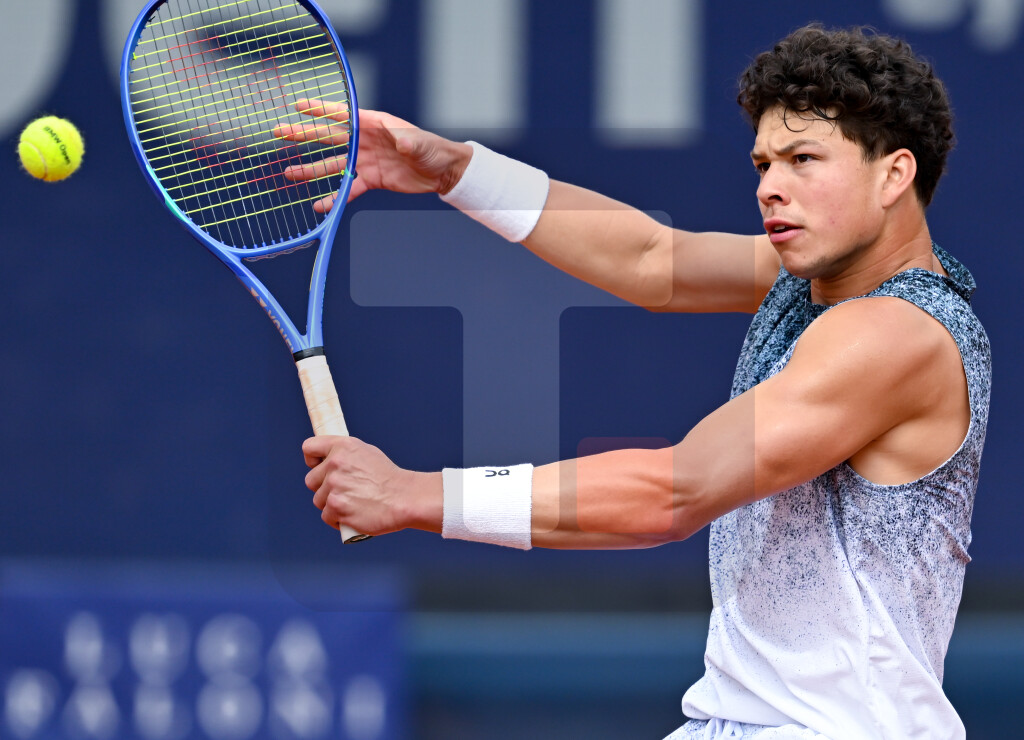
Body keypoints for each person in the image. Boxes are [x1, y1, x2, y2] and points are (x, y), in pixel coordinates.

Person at [281, 24, 991, 740]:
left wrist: (410, 494)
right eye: (763, 164)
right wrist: (456, 171)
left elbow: (673, 492)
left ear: (893, 175)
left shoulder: (892, 335)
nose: (770, 188)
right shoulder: (817, 279)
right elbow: (650, 259)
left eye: (803, 159)